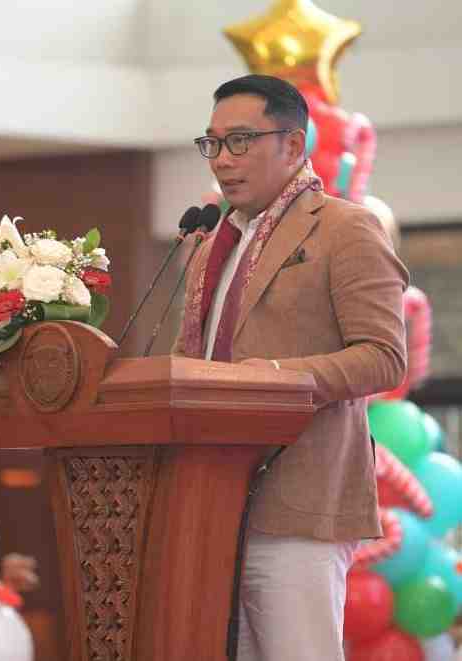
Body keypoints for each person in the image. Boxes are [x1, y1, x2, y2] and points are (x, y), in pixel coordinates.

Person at [172, 75, 408, 661]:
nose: (222, 159)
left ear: (294, 144)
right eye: (212, 143)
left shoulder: (345, 228)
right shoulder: (209, 243)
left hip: (298, 502)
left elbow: (384, 355)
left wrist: (272, 377)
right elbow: (189, 364)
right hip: (208, 499)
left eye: (240, 141)